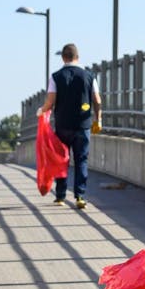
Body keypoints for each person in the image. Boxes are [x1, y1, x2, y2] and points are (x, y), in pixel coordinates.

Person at [40, 43, 102, 210]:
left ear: (63, 57)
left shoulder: (56, 76)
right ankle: (80, 196)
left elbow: (50, 101)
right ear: (77, 56)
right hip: (83, 125)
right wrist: (99, 119)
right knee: (81, 159)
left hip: (63, 125)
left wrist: (42, 111)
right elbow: (97, 100)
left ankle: (60, 196)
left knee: (62, 159)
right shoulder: (89, 76)